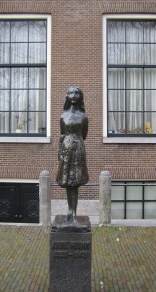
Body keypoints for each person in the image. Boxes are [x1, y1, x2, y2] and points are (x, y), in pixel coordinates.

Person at [56, 86, 89, 222]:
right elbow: (62, 134)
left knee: (75, 182)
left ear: (80, 96)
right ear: (67, 96)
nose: (73, 95)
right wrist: (60, 152)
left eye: (76, 93)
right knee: (67, 181)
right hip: (66, 149)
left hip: (78, 149)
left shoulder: (83, 117)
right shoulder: (63, 116)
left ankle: (74, 212)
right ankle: (69, 210)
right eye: (70, 93)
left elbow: (84, 135)